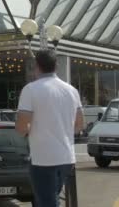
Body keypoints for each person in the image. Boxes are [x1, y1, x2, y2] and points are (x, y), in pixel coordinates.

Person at [15, 50, 84, 207]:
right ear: (56, 66)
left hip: (43, 157)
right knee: (50, 199)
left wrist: (29, 131)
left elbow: (21, 127)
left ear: (36, 66)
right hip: (66, 157)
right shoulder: (72, 91)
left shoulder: (30, 90)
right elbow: (80, 125)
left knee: (47, 202)